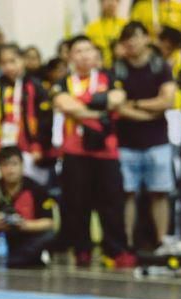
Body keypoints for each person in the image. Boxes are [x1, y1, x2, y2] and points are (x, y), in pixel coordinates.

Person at [50, 34, 135, 268]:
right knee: (77, 204)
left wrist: (81, 109)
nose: (85, 55)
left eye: (88, 50)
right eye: (78, 51)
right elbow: (64, 103)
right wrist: (99, 110)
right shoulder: (64, 81)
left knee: (111, 203)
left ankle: (116, 250)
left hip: (106, 152)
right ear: (69, 56)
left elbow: (118, 99)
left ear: (96, 55)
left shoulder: (108, 76)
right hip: (75, 152)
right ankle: (82, 249)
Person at [113, 22, 177, 251]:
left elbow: (167, 101)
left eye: (136, 37)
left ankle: (161, 241)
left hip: (157, 140)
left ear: (146, 38)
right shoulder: (117, 68)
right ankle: (128, 243)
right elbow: (117, 106)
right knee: (127, 194)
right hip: (126, 142)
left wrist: (137, 104)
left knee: (159, 193)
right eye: (127, 39)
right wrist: (148, 113)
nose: (132, 42)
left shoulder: (160, 66)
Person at [0, 146, 56, 267]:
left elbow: (49, 222)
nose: (10, 170)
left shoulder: (36, 189)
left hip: (24, 236)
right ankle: (30, 261)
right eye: (5, 165)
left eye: (14, 164)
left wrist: (24, 225)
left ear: (22, 166)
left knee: (48, 235)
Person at [85, 0, 127, 68]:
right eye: (106, 0)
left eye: (114, 1)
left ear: (118, 3)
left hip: (122, 66)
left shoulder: (125, 24)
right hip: (99, 68)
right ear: (101, 3)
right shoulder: (91, 28)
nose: (110, 3)